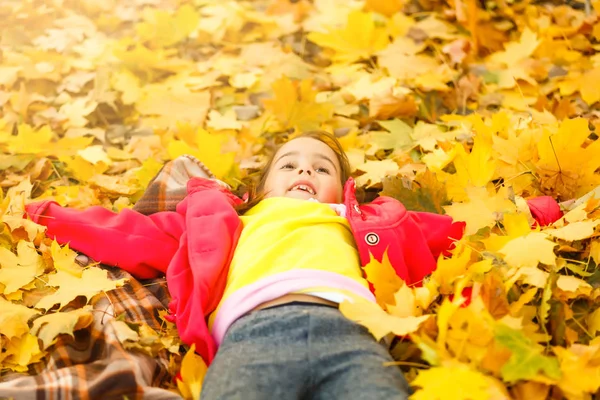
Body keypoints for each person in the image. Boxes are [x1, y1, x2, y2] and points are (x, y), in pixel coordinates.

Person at [25, 130, 467, 399]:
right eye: (289, 165)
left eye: (321, 168)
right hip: (253, 339)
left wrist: (535, 212)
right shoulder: (229, 221)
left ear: (343, 189)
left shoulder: (370, 221)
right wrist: (39, 215)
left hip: (352, 334)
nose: (305, 172)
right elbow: (127, 233)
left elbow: (458, 230)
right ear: (263, 187)